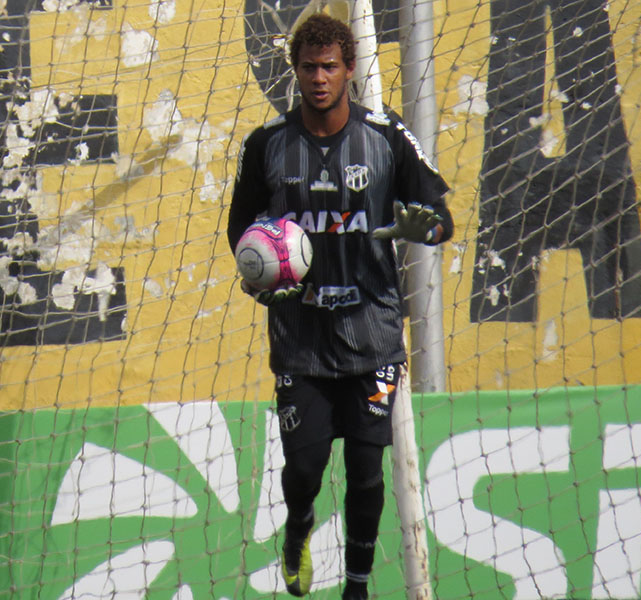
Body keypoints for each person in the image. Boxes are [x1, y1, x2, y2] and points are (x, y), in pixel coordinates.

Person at [227, 12, 453, 600]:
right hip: (300, 341)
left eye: (330, 67)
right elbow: (241, 233)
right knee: (304, 471)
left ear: (351, 69)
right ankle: (298, 525)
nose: (319, 78)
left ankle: (357, 587)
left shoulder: (385, 136)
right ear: (295, 70)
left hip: (373, 333)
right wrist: (260, 277)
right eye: (308, 67)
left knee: (366, 470)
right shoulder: (267, 145)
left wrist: (419, 225)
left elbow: (441, 221)